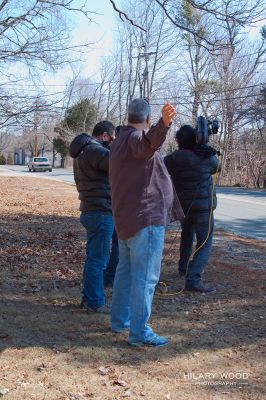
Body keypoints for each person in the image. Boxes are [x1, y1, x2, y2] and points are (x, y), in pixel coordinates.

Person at [109, 99, 184, 347]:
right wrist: (164, 125)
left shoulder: (119, 139)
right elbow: (146, 145)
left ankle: (121, 321)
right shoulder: (135, 139)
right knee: (145, 278)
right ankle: (139, 332)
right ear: (147, 120)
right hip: (144, 219)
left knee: (126, 272)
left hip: (127, 219)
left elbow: (144, 148)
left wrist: (159, 125)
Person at [164, 125, 220, 293]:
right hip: (203, 209)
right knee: (204, 243)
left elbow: (164, 168)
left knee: (186, 235)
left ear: (178, 141)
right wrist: (205, 148)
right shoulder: (206, 157)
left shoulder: (172, 159)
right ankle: (193, 279)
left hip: (183, 207)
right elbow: (216, 167)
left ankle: (183, 268)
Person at [69, 120, 116, 313]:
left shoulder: (83, 150)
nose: (113, 142)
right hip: (100, 212)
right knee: (98, 260)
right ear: (104, 135)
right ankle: (95, 302)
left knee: (94, 259)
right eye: (112, 138)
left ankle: (89, 298)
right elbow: (118, 162)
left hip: (91, 210)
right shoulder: (95, 151)